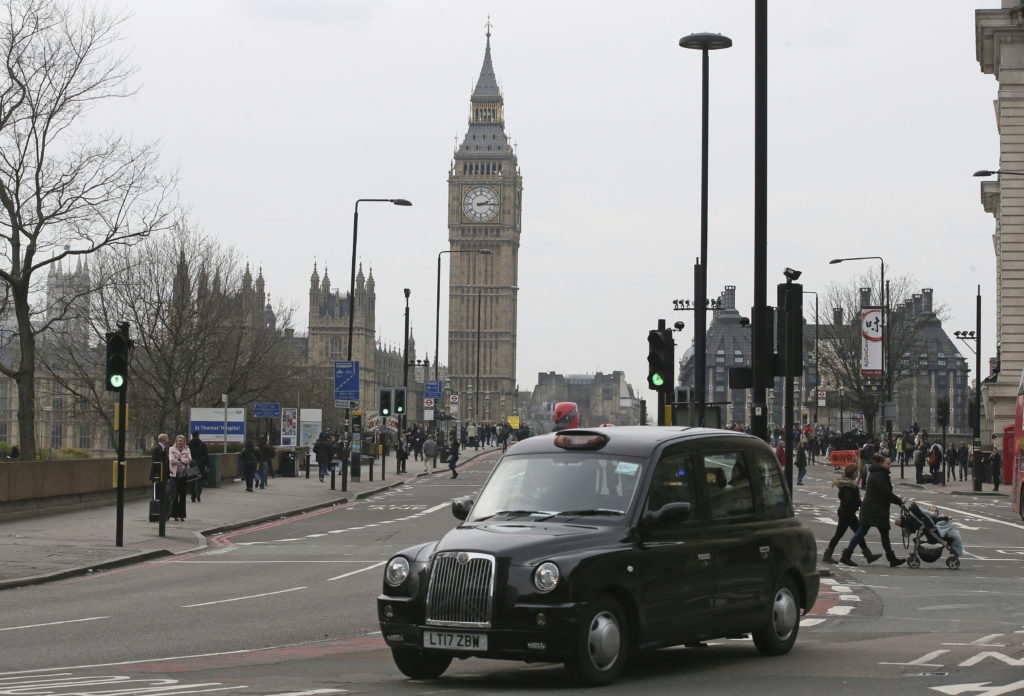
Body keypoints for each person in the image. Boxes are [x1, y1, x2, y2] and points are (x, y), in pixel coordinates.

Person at [840, 454, 907, 568]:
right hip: (874, 510)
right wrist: (899, 501)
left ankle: (891, 558)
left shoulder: (878, 473)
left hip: (875, 509)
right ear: (881, 464)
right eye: (888, 463)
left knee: (882, 533)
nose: (890, 466)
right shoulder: (879, 475)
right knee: (862, 532)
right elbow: (885, 493)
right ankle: (846, 556)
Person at [822, 463, 882, 565]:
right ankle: (832, 556)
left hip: (846, 512)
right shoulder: (849, 485)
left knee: (858, 533)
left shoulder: (847, 483)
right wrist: (859, 503)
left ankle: (868, 556)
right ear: (850, 473)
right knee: (842, 534)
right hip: (847, 513)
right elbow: (849, 500)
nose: (856, 474)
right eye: (855, 472)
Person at [168, 434, 192, 521]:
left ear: (184, 442)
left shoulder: (187, 449)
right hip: (174, 475)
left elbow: (189, 460)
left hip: (184, 475)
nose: (180, 442)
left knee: (183, 496)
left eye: (182, 441)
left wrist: (180, 459)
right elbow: (171, 460)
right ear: (176, 442)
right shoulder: (171, 449)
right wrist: (182, 461)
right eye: (179, 441)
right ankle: (175, 515)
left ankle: (182, 515)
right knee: (175, 496)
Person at [188, 430, 209, 503]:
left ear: (192, 435)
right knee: (200, 480)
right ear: (198, 435)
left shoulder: (189, 444)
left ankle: (193, 495)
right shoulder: (203, 444)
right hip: (201, 463)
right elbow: (206, 455)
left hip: (191, 463)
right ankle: (198, 493)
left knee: (191, 480)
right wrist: (207, 465)